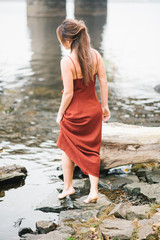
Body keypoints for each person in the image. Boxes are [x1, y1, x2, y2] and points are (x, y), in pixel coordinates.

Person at [56, 19, 110, 204]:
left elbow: (69, 93)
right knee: (93, 150)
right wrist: (105, 107)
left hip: (74, 114)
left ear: (69, 39)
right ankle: (93, 190)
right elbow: (103, 82)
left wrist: (60, 113)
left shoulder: (67, 61)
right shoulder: (96, 55)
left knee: (66, 146)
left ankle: (68, 186)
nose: (62, 43)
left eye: (62, 40)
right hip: (93, 110)